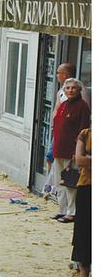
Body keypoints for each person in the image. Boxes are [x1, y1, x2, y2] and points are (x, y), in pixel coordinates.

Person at [50, 78, 90, 223]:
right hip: (58, 150)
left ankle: (71, 212)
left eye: (73, 88)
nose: (70, 91)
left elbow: (83, 131)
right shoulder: (63, 105)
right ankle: (62, 209)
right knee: (59, 182)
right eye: (68, 88)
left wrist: (77, 152)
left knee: (71, 183)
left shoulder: (82, 107)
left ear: (79, 90)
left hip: (72, 152)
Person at [72, 126, 91, 277]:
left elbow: (85, 159)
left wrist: (89, 158)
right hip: (86, 187)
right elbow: (79, 159)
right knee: (82, 233)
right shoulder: (85, 134)